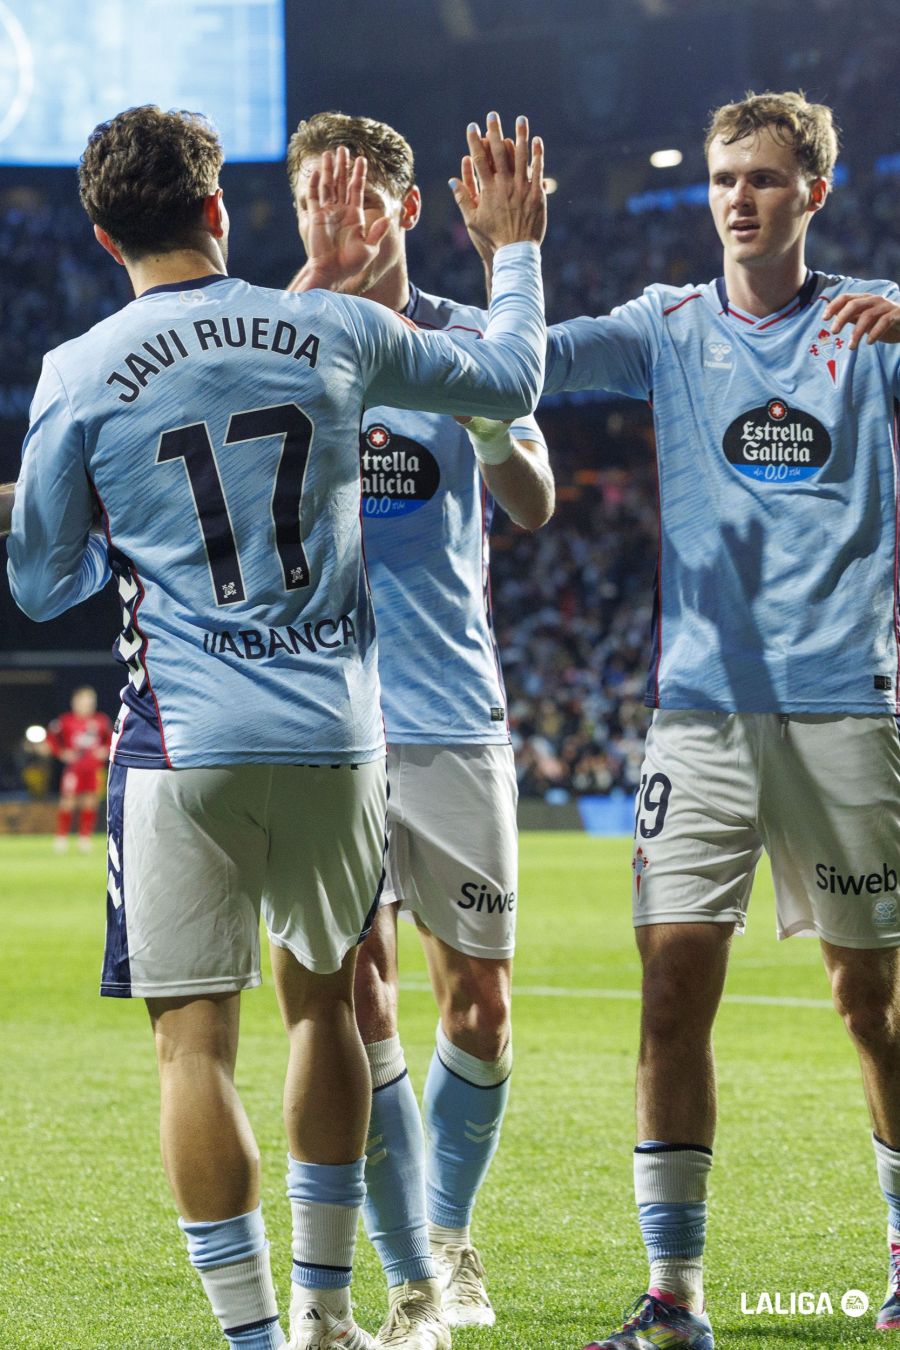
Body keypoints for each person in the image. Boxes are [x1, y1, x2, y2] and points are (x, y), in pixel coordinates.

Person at [6, 104, 547, 1350]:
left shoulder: (78, 372)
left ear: (101, 236)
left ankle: (256, 1339)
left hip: (181, 747)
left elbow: (42, 582)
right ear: (218, 210)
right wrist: (511, 250)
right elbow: (513, 382)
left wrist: (120, 527)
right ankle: (329, 1312)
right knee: (331, 1011)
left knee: (194, 1048)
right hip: (337, 739)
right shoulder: (331, 327)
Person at [458, 90, 900, 1348]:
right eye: (722, 179)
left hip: (843, 714)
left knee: (872, 1003)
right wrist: (514, 254)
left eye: (764, 178)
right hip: (698, 718)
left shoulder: (872, 324)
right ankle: (673, 1301)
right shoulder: (665, 329)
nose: (738, 199)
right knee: (669, 994)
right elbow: (520, 369)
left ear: (814, 192)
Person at [286, 110, 555, 1348]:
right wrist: (306, 300)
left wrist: (496, 421)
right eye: (307, 204)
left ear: (403, 209)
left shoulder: (467, 342)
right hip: (325, 718)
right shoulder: (281, 339)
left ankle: (448, 1235)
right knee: (361, 1003)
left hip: (453, 712)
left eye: (354, 203)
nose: (332, 223)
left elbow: (536, 500)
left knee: (479, 1014)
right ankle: (412, 1284)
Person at [43, 684, 112, 851]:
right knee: (68, 801)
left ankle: (84, 838)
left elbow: (112, 739)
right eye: (84, 701)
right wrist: (62, 753)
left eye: (91, 701)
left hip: (94, 769)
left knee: (90, 802)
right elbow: (51, 739)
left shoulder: (101, 720)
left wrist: (105, 750)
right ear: (75, 702)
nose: (87, 704)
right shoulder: (65, 720)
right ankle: (61, 837)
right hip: (74, 769)